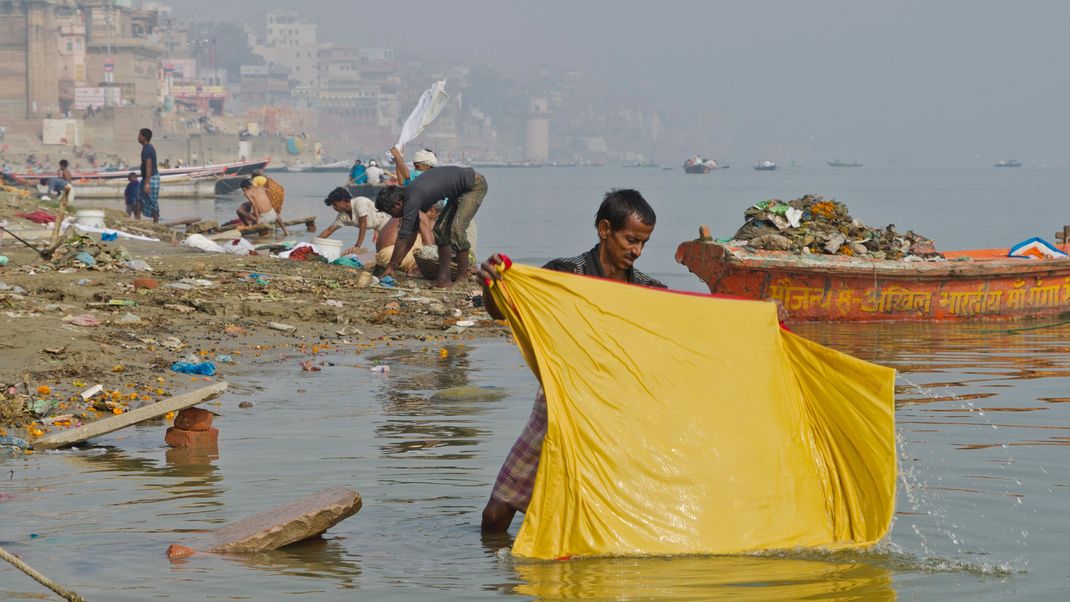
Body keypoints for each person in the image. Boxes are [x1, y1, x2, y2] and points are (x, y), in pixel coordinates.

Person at [477, 189, 666, 533]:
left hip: (615, 415)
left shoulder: (650, 292)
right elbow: (504, 312)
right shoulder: (563, 277)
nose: (637, 251)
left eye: (644, 244)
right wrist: (493, 287)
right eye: (631, 240)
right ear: (605, 229)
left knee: (597, 518)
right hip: (557, 406)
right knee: (496, 516)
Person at [374, 166, 487, 287]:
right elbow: (411, 234)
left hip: (473, 186)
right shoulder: (411, 198)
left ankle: (462, 279)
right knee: (440, 231)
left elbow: (403, 236)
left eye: (391, 212)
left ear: (397, 204)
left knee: (456, 230)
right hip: (458, 192)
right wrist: (394, 266)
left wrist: (391, 266)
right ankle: (444, 279)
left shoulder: (411, 199)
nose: (393, 216)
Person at [317, 187, 393, 256]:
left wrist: (357, 246)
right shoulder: (343, 216)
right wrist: (313, 243)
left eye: (335, 204)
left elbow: (363, 224)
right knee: (381, 251)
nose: (334, 208)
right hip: (377, 229)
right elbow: (329, 230)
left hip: (387, 224)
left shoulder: (360, 202)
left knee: (388, 248)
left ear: (342, 201)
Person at [137, 128, 160, 223]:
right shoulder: (147, 147)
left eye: (139, 135)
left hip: (151, 178)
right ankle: (137, 220)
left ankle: (156, 222)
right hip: (148, 178)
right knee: (138, 198)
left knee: (153, 201)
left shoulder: (147, 149)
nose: (138, 137)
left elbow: (149, 166)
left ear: (144, 137)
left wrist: (147, 183)